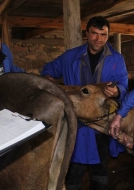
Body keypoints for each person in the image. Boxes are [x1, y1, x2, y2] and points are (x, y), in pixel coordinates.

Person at [41, 16, 128, 190]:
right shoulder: (70, 56)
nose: (99, 39)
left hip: (101, 122)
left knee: (101, 168)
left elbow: (123, 83)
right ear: (86, 33)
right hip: (76, 121)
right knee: (74, 170)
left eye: (103, 35)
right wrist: (49, 80)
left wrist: (117, 91)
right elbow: (49, 69)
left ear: (108, 35)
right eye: (94, 34)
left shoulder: (116, 59)